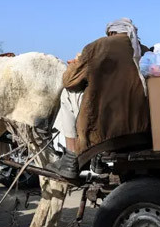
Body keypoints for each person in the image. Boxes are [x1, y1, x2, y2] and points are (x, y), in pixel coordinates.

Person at [47, 18, 150, 180]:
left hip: (109, 128)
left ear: (111, 32)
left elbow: (69, 81)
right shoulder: (142, 50)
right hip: (142, 127)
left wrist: (76, 63)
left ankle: (71, 157)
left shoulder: (99, 46)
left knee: (68, 94)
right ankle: (95, 158)